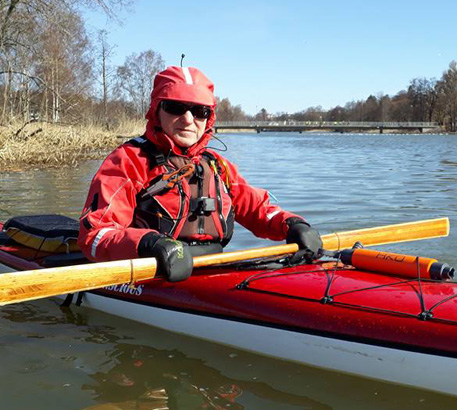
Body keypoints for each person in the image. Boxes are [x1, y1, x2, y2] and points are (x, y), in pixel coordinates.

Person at [78, 66, 322, 282]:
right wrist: (149, 244)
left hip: (211, 270)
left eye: (199, 112)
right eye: (175, 108)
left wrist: (292, 225)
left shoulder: (217, 165)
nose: (187, 120)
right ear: (156, 112)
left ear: (209, 118)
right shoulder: (128, 161)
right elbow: (95, 236)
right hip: (152, 274)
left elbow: (257, 209)